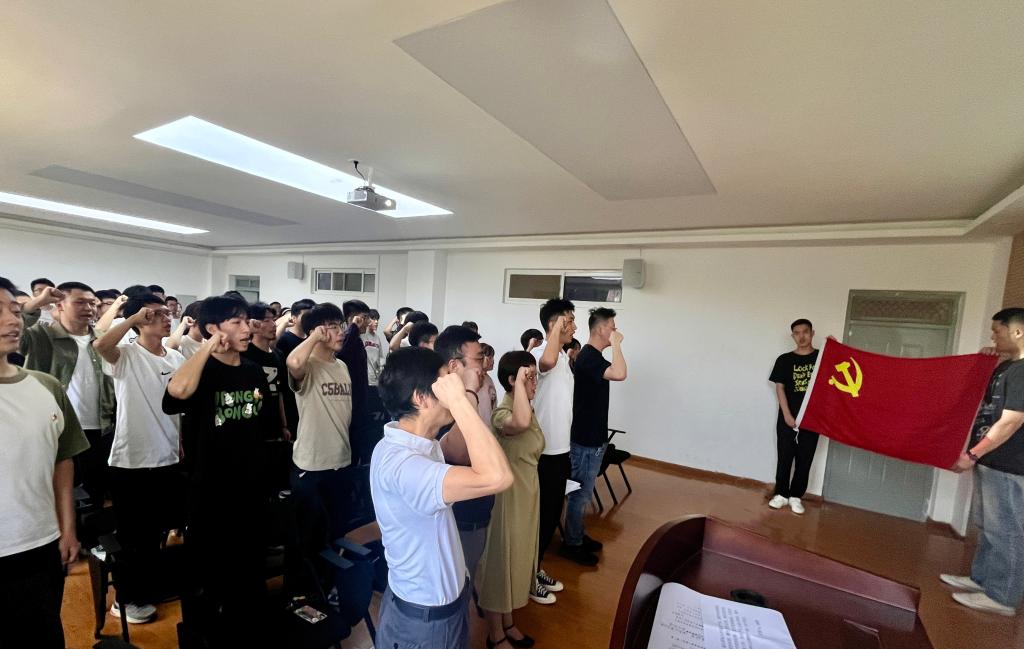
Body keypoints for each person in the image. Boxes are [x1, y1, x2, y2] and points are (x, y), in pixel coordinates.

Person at [370, 347, 512, 649]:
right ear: (421, 398)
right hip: (424, 623)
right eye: (445, 383)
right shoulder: (404, 466)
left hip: (442, 609)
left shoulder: (420, 442)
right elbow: (498, 477)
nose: (453, 389)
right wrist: (460, 402)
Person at [162, 296, 275, 644]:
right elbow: (176, 393)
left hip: (251, 485)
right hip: (210, 488)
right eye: (236, 322)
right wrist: (208, 348)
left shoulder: (253, 370)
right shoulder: (200, 370)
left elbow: (262, 421)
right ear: (213, 328)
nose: (247, 328)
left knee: (250, 565)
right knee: (210, 570)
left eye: (247, 321)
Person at [0, 276, 89, 649]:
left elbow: (61, 460)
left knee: (44, 635)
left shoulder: (46, 386)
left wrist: (67, 528)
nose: (12, 320)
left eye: (14, 310)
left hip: (39, 544)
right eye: (0, 312)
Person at [93, 292, 184, 624]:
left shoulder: (175, 358)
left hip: (168, 457)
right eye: (155, 314)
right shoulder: (126, 354)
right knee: (133, 537)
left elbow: (180, 407)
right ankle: (125, 599)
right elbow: (100, 345)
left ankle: (148, 586)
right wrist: (130, 318)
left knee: (157, 533)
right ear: (140, 320)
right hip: (131, 461)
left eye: (166, 313)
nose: (165, 317)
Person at [942, 308, 1024, 616]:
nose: (993, 336)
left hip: (1011, 463)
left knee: (1008, 531)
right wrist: (986, 359)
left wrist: (972, 454)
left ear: (1017, 332)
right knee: (989, 525)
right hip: (992, 460)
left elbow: (1011, 421)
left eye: (997, 331)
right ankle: (982, 580)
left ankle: (1002, 598)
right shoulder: (1007, 367)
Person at [20, 281, 116, 508]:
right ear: (60, 305)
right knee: (56, 495)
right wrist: (37, 303)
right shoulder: (40, 336)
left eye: (92, 303)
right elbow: (10, 327)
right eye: (80, 302)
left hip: (99, 427)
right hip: (56, 429)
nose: (89, 308)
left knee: (95, 494)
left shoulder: (102, 339)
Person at [478, 352, 544, 649]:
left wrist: (523, 385)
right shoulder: (503, 413)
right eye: (530, 377)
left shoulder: (526, 407)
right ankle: (495, 635)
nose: (535, 383)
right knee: (501, 562)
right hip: (508, 499)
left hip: (526, 494)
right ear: (512, 380)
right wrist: (520, 383)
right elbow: (519, 422)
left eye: (534, 377)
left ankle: (508, 622)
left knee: (517, 560)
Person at [285, 303, 353, 590]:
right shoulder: (308, 364)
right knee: (305, 540)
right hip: (311, 465)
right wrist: (313, 336)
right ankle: (299, 596)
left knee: (334, 535)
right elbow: (293, 363)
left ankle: (326, 591)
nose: (341, 332)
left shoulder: (342, 365)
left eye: (341, 326)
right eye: (333, 327)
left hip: (340, 461)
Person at [561, 308, 626, 566]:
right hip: (585, 439)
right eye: (612, 326)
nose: (615, 331)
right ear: (600, 329)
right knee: (580, 494)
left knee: (584, 493)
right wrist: (617, 345)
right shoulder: (588, 356)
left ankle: (577, 535)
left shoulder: (593, 357)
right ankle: (572, 544)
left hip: (593, 437)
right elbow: (620, 373)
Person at [434, 326, 494, 597]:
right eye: (478, 359)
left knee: (469, 577)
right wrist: (468, 392)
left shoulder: (474, 396)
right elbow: (460, 453)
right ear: (454, 366)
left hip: (477, 510)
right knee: (456, 588)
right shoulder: (440, 407)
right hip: (458, 519)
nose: (484, 366)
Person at [529, 297, 577, 603]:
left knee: (550, 518)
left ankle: (536, 568)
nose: (574, 327)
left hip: (560, 450)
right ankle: (528, 577)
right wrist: (557, 330)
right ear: (554, 324)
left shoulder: (561, 357)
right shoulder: (540, 356)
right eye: (569, 321)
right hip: (544, 453)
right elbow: (544, 364)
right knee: (541, 518)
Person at [768, 318, 820, 515]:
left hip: (813, 419)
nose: (801, 336)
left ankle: (796, 496)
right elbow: (779, 388)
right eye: (797, 333)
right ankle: (781, 494)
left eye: (805, 332)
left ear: (812, 333)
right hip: (787, 417)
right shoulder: (784, 360)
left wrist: (834, 347)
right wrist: (787, 415)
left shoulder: (821, 358)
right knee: (784, 456)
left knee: (805, 458)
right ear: (793, 336)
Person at [339, 300, 372, 464]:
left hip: (359, 399)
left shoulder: (356, 340)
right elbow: (341, 355)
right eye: (364, 317)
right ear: (352, 319)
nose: (368, 322)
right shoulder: (346, 337)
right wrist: (353, 327)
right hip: (349, 401)